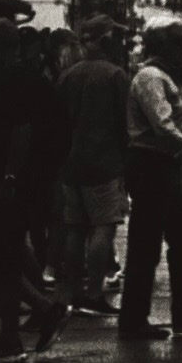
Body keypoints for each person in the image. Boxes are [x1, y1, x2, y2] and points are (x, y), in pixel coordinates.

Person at [0, 19, 71, 363]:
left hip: (12, 187)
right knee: (4, 259)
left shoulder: (13, 81)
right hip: (15, 185)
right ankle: (37, 316)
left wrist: (9, 179)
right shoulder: (22, 78)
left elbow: (22, 131)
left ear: (1, 48)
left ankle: (14, 334)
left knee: (4, 260)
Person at [120, 26, 182, 344]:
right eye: (179, 42)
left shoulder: (164, 77)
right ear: (164, 46)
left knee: (169, 241)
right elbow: (163, 124)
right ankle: (148, 317)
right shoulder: (151, 78)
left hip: (159, 166)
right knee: (155, 243)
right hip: (151, 165)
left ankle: (178, 314)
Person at [54, 19, 129, 313]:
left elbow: (58, 123)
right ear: (105, 40)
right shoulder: (115, 75)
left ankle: (74, 290)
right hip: (103, 163)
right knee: (103, 226)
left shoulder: (68, 75)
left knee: (75, 227)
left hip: (72, 164)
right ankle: (94, 292)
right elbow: (124, 125)